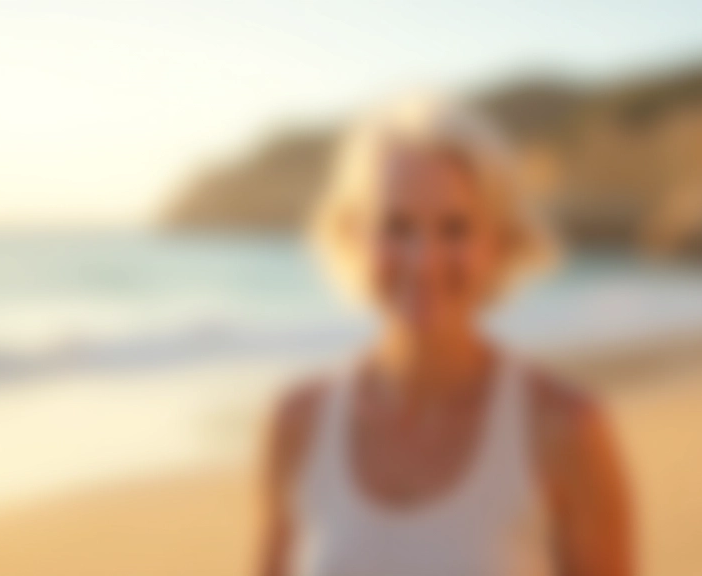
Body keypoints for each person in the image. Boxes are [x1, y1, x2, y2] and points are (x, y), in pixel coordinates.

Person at [259, 94, 633, 576]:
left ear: (498, 241)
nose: (424, 261)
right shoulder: (298, 424)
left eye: (454, 228)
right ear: (355, 234)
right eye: (397, 226)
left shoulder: (566, 429)